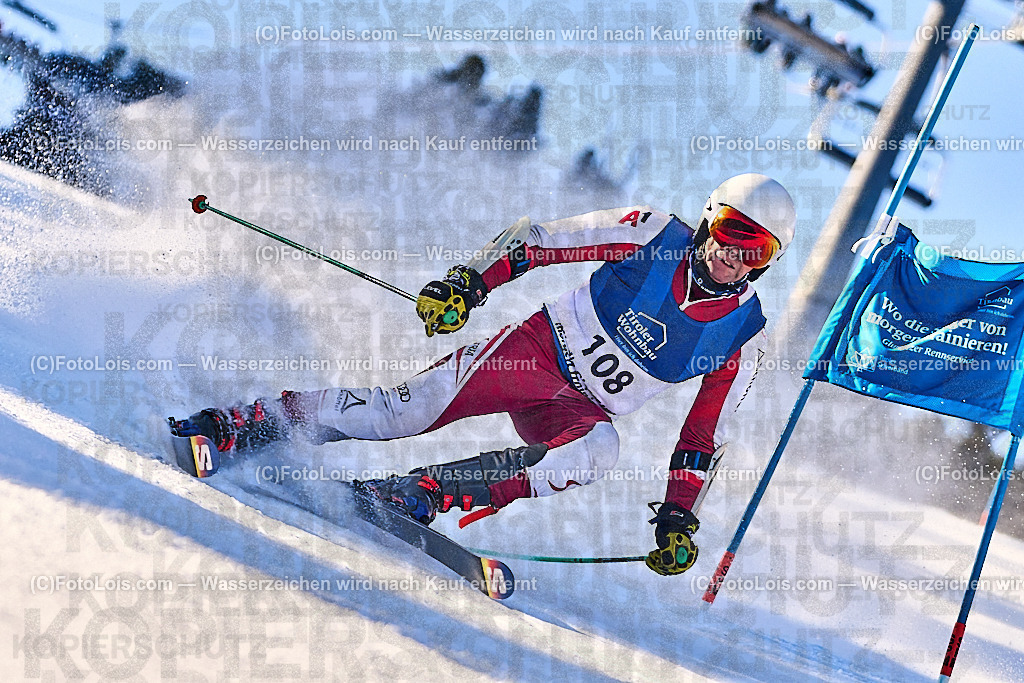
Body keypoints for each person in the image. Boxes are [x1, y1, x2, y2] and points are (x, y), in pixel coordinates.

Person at [170, 173, 797, 576]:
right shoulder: (654, 234)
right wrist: (467, 286)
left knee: (597, 450)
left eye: (756, 251)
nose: (733, 256)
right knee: (403, 412)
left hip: (578, 409)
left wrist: (679, 517)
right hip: (533, 353)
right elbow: (539, 243)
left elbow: (700, 436)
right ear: (711, 218)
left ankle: (422, 492)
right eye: (731, 233)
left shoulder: (742, 334)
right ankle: (244, 423)